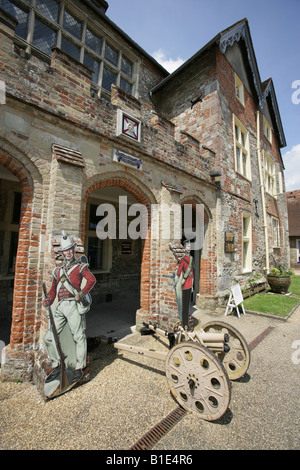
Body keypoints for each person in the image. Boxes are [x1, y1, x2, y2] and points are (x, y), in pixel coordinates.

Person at [43, 231, 96, 384]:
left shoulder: (80, 267)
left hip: (73, 304)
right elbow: (53, 290)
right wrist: (48, 300)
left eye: (71, 249)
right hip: (60, 306)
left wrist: (82, 292)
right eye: (66, 250)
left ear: (73, 250)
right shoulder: (58, 271)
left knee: (78, 336)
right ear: (62, 252)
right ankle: (57, 364)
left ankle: (79, 368)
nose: (69, 252)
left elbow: (91, 280)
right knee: (49, 337)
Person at [176, 240, 194, 328]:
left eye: (190, 247)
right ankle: (184, 324)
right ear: (184, 248)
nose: (189, 248)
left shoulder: (191, 258)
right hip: (185, 284)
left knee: (187, 305)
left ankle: (186, 323)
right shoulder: (183, 259)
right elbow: (179, 272)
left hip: (190, 283)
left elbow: (192, 271)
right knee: (184, 306)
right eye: (187, 247)